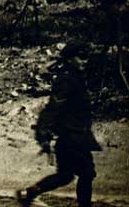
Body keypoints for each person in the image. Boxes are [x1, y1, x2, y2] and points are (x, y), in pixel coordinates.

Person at [17, 41, 100, 207]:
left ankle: (30, 192)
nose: (85, 61)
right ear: (70, 59)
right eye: (81, 57)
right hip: (71, 136)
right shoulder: (67, 80)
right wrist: (43, 133)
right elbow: (53, 108)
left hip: (76, 134)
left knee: (65, 175)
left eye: (86, 57)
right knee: (86, 173)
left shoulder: (75, 77)